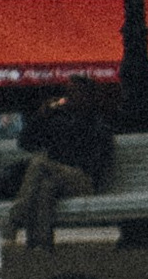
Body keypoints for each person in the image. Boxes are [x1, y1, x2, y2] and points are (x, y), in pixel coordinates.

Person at [10, 83, 115, 249]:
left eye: (75, 93)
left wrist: (67, 166)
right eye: (69, 93)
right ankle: (41, 244)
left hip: (85, 180)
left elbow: (96, 164)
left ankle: (14, 219)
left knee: (39, 164)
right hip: (58, 178)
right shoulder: (58, 120)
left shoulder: (97, 124)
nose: (69, 98)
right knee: (45, 187)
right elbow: (25, 143)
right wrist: (41, 116)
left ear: (87, 97)